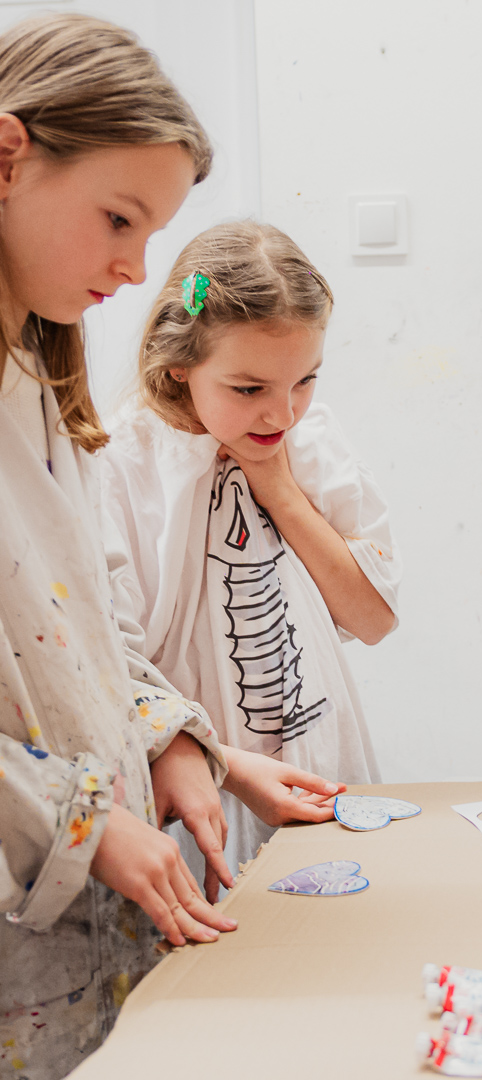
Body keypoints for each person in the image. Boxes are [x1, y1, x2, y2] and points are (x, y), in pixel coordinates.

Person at [0, 14, 239, 1077]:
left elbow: (81, 627)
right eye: (117, 219)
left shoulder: (39, 380)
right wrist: (83, 826)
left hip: (91, 938)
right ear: (8, 158)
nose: (137, 269)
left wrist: (167, 737)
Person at [101, 221, 401, 890]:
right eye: (249, 389)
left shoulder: (308, 442)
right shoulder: (119, 465)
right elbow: (113, 667)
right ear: (178, 362)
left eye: (305, 381)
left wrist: (279, 488)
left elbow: (374, 619)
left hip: (319, 767)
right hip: (195, 787)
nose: (282, 414)